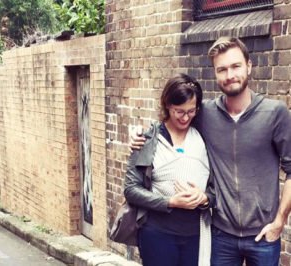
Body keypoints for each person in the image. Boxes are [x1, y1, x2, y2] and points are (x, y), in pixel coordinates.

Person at [130, 37, 291, 266]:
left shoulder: (275, 113)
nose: (230, 75)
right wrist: (141, 134)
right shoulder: (204, 113)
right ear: (215, 74)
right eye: (222, 69)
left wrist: (279, 222)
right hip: (221, 235)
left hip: (263, 236)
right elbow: (173, 118)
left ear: (249, 65)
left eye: (235, 66)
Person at [124, 73, 211, 266]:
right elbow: (131, 189)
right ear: (167, 106)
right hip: (157, 234)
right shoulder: (148, 139)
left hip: (195, 235)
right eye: (179, 111)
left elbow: (216, 183)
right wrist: (170, 201)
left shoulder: (204, 136)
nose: (185, 117)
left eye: (191, 111)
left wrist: (205, 199)